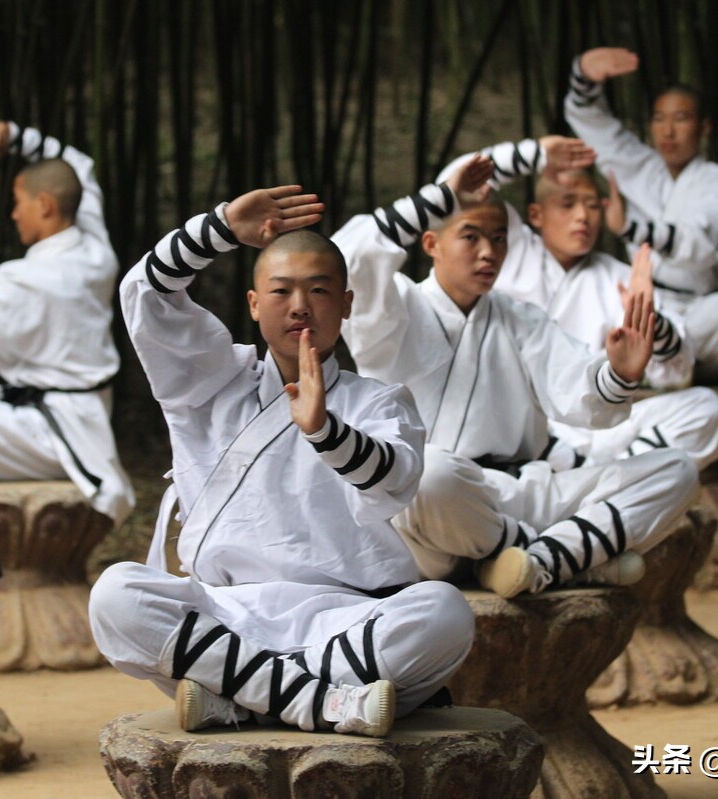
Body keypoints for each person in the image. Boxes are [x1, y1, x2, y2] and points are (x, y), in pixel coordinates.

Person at [89, 187, 475, 738]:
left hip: (344, 621)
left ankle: (242, 701)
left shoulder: (380, 402)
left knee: (444, 614)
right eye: (282, 291)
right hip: (225, 618)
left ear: (345, 303)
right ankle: (318, 703)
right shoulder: (207, 382)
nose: (299, 305)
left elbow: (394, 481)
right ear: (252, 303)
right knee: (116, 595)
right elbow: (144, 293)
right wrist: (219, 228)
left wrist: (326, 432)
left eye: (318, 290)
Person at [334, 156, 700, 598]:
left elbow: (579, 391)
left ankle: (537, 560)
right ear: (430, 243)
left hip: (521, 491)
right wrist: (440, 197)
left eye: (499, 238)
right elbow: (346, 260)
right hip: (438, 504)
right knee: (428, 473)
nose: (489, 252)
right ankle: (560, 557)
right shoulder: (396, 308)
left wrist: (620, 371)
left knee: (677, 470)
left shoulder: (519, 318)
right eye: (471, 236)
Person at [437, 137, 718, 470]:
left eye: (592, 205)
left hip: (598, 425)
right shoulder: (507, 249)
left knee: (705, 411)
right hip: (519, 423)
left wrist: (653, 325)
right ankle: (610, 483)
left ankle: (596, 477)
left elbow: (675, 373)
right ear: (536, 214)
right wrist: (534, 154)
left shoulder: (619, 277)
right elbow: (452, 183)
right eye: (568, 203)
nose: (583, 216)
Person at [0, 120, 134, 527]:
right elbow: (79, 167)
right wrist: (18, 138)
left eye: (18, 201)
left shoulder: (26, 284)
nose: (13, 213)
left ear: (44, 204)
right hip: (78, 410)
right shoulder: (95, 249)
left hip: (51, 434)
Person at [565, 47, 718, 381]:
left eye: (681, 119)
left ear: (704, 127)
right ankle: (643, 368)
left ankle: (658, 371)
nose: (668, 131)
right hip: (642, 306)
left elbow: (700, 245)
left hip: (698, 310)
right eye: (659, 118)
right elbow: (595, 126)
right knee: (589, 290)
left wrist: (631, 228)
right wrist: (584, 76)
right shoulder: (639, 168)